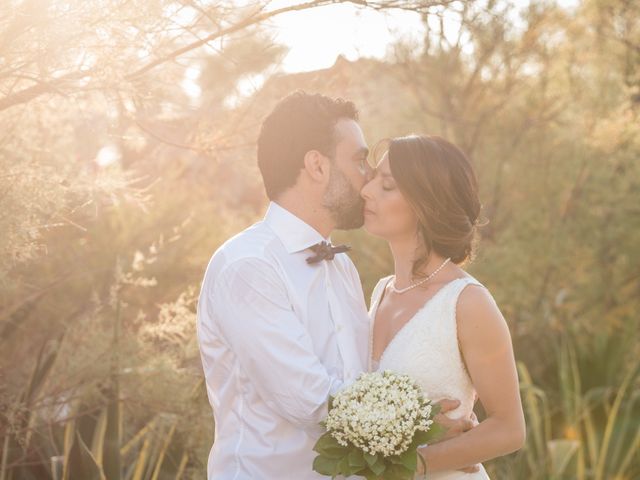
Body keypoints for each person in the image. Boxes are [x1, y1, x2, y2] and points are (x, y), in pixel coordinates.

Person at [196, 92, 474, 479]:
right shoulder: (249, 267)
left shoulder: (341, 264)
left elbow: (360, 380)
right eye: (360, 161)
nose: (368, 180)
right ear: (316, 166)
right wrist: (421, 429)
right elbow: (310, 402)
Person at [361, 135, 526, 479]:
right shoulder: (381, 292)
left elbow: (509, 428)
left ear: (426, 203)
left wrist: (413, 465)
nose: (367, 190)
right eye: (373, 177)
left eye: (387, 185)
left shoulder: (467, 302)